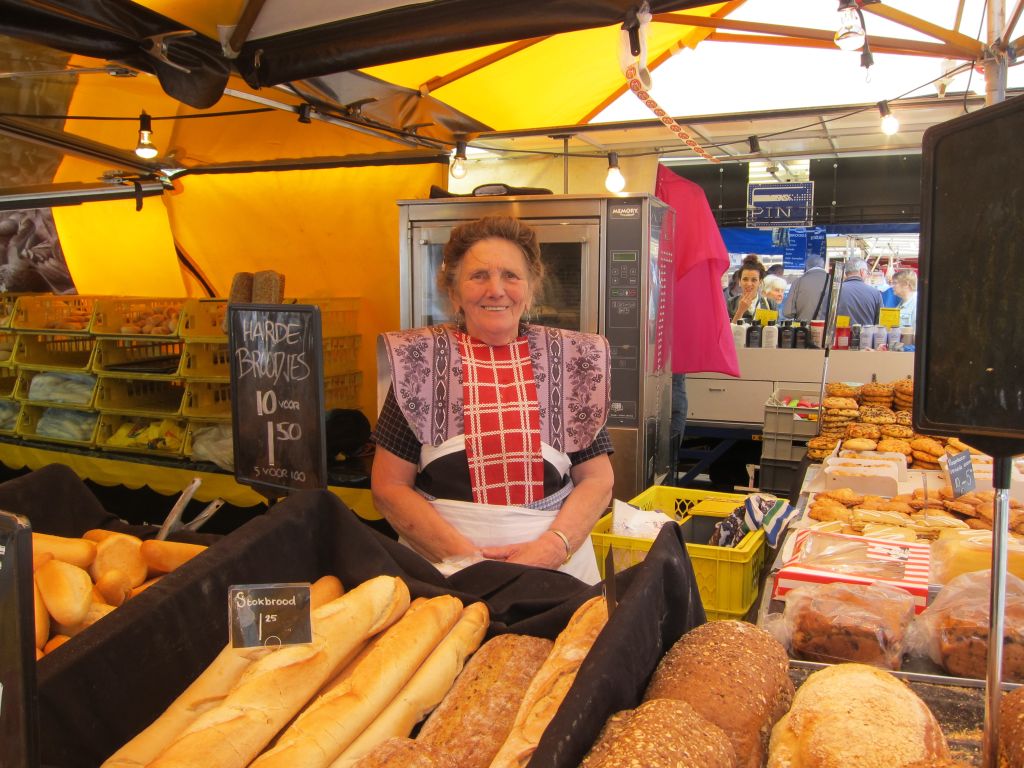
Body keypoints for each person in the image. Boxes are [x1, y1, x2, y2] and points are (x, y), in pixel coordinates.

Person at [372, 216, 614, 584]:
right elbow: (389, 487)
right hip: (443, 573)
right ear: (453, 293)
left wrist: (553, 545)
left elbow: (597, 480)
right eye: (478, 276)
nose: (496, 290)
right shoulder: (417, 362)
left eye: (511, 276)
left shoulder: (572, 361)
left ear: (530, 290)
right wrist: (468, 560)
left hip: (556, 573)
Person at [726, 255, 776, 322]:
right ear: (739, 281)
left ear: (760, 282)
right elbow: (728, 331)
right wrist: (740, 310)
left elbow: (775, 330)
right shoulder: (731, 303)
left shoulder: (769, 303)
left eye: (754, 280)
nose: (749, 284)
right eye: (745, 279)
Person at [835, 256, 883, 326]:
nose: (867, 275)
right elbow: (879, 324)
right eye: (867, 272)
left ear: (845, 273)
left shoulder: (835, 291)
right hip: (865, 336)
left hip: (840, 335)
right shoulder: (875, 293)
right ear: (862, 272)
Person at [781, 254, 828, 321]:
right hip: (827, 329)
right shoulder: (833, 282)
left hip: (804, 329)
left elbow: (788, 313)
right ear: (823, 265)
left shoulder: (798, 282)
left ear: (807, 266)